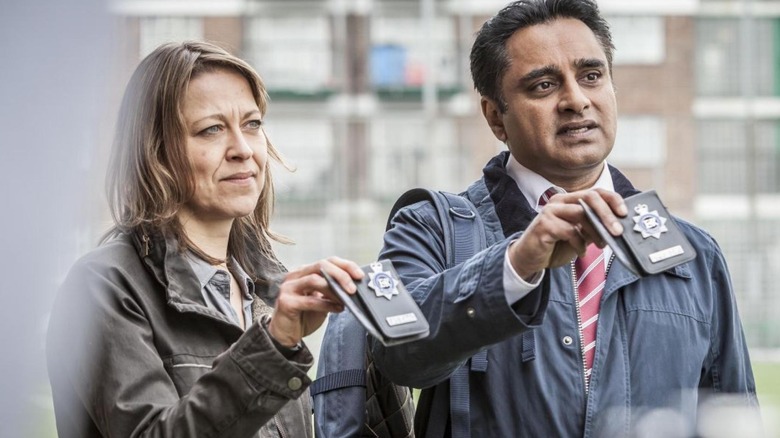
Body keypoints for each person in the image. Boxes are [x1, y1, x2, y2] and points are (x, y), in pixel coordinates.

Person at [369, 1, 759, 436]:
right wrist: (515, 267)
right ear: (496, 117)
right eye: (543, 86)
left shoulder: (694, 254)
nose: (576, 100)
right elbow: (399, 353)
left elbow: (733, 415)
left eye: (591, 76)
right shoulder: (427, 226)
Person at [46, 41, 364, 438]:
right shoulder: (104, 287)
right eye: (211, 130)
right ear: (155, 154)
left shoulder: (265, 288)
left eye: (252, 124)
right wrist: (276, 346)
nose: (244, 150)